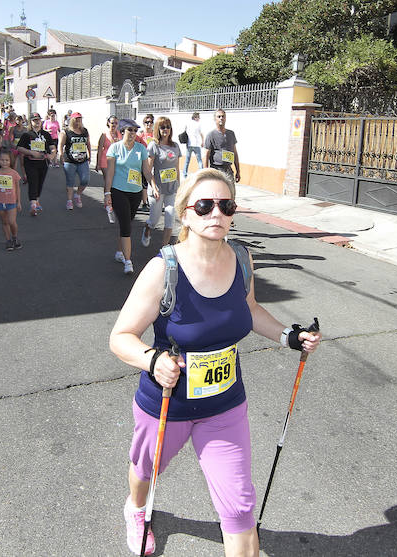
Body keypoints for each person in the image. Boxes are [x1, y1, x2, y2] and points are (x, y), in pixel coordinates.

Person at [109, 168, 321, 557]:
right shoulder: (163, 269)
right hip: (167, 405)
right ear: (185, 213)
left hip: (225, 405)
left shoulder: (241, 258)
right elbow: (120, 338)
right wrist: (152, 359)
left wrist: (287, 336)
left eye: (226, 206)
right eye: (204, 206)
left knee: (240, 507)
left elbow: (249, 308)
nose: (216, 215)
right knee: (145, 471)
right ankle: (136, 510)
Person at [104, 118, 151, 275]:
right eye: (130, 130)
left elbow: (146, 171)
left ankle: (120, 252)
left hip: (136, 192)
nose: (133, 133)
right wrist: (107, 192)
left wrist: (154, 186)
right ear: (122, 131)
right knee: (126, 226)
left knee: (127, 223)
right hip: (119, 191)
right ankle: (128, 261)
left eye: (135, 130)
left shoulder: (141, 148)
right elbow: (109, 173)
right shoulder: (114, 148)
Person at [142, 117, 180, 248]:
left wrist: (179, 186)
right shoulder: (154, 145)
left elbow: (177, 168)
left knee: (170, 218)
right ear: (158, 129)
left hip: (171, 188)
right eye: (163, 127)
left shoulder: (175, 146)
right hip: (158, 188)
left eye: (168, 127)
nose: (166, 130)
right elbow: (147, 170)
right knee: (154, 220)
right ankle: (147, 228)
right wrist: (153, 187)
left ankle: (164, 249)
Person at [16, 113, 58, 216]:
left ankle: (37, 200)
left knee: (40, 182)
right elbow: (19, 148)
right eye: (34, 120)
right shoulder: (27, 135)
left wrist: (52, 155)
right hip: (30, 162)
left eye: (38, 120)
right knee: (33, 181)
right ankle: (33, 204)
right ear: (31, 122)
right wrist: (31, 152)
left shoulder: (46, 134)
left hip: (43, 162)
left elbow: (52, 147)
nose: (37, 122)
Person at [58, 112, 92, 210]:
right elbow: (61, 145)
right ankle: (69, 200)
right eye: (76, 120)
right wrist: (61, 155)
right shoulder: (66, 132)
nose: (78, 122)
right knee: (70, 181)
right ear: (72, 120)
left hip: (83, 160)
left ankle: (77, 194)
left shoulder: (84, 131)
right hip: (70, 160)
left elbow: (88, 143)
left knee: (85, 180)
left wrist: (89, 154)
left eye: (80, 119)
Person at [0, 150, 23, 251]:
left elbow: (18, 188)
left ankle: (14, 237)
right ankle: (8, 240)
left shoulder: (14, 173)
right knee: (4, 222)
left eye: (6, 160)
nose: (4, 162)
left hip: (11, 201)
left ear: (11, 161)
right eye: (2, 160)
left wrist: (19, 202)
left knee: (12, 222)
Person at [203, 109, 240, 183]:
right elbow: (206, 155)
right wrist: (206, 174)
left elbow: (235, 153)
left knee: (230, 193)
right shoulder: (211, 135)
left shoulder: (231, 134)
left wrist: (238, 171)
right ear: (214, 119)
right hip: (216, 170)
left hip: (228, 170)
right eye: (218, 116)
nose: (221, 118)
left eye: (223, 116)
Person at [96, 115, 123, 184]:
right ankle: (107, 194)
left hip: (117, 161)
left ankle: (112, 194)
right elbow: (99, 150)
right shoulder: (104, 135)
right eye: (112, 123)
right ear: (108, 123)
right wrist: (98, 164)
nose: (114, 125)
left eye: (116, 123)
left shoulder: (120, 135)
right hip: (105, 161)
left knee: (115, 182)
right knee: (108, 181)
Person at [184, 112, 203, 178]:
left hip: (189, 144)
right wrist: (202, 141)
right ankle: (201, 174)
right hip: (196, 144)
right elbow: (201, 134)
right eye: (198, 117)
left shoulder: (188, 123)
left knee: (187, 161)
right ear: (195, 117)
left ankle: (185, 174)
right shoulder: (198, 124)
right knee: (199, 161)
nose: (199, 118)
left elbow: (185, 133)